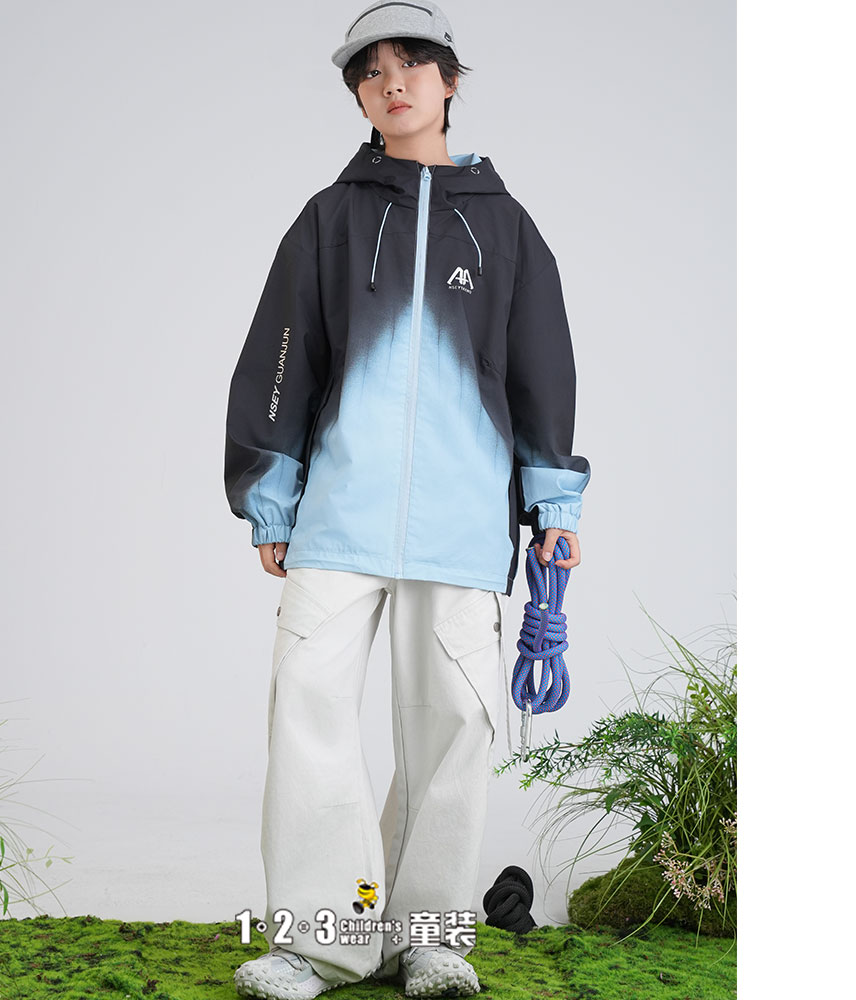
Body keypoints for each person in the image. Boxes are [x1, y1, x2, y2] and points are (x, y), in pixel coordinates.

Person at [224, 3, 590, 997]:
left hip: (462, 527)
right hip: (338, 519)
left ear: (449, 80)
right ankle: (318, 942)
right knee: (309, 715)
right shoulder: (329, 219)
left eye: (412, 64)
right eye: (371, 71)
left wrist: (553, 508)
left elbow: (542, 376)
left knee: (453, 730)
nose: (392, 82)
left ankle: (427, 937)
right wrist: (272, 496)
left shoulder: (506, 228)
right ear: (358, 95)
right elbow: (280, 359)